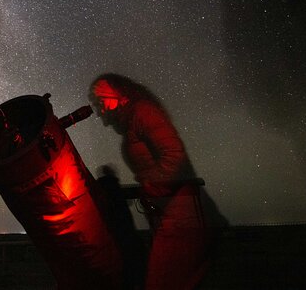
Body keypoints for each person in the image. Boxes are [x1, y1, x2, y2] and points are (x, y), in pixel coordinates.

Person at [89, 74, 227, 290]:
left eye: (100, 99)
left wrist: (152, 188)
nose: (99, 109)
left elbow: (174, 155)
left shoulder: (143, 112)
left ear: (118, 94)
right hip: (170, 213)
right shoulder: (132, 122)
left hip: (181, 212)